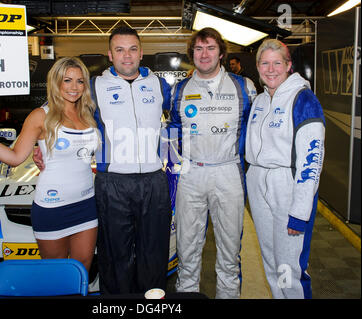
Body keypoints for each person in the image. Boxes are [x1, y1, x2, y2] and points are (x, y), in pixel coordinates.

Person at [33, 26, 173, 294]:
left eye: (133, 49)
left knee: (153, 255)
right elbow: (61, 115)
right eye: (120, 50)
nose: (127, 56)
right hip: (113, 183)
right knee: (115, 256)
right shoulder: (95, 87)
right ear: (110, 54)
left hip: (154, 181)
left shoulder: (158, 84)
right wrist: (38, 147)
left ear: (141, 52)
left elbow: (179, 120)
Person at [0, 57, 99, 272]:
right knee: (56, 273)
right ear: (56, 83)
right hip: (52, 206)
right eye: (67, 80)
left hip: (86, 204)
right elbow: (15, 157)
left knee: (81, 269)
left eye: (80, 81)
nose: (74, 87)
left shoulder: (88, 114)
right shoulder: (41, 116)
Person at [167, 27, 257, 298]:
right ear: (191, 54)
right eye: (198, 49)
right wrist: (173, 173)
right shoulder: (179, 90)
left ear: (221, 54)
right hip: (191, 172)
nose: (204, 54)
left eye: (210, 48)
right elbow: (172, 131)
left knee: (230, 250)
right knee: (187, 247)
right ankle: (186, 296)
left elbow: (257, 131)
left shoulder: (244, 87)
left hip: (228, 171)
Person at [245, 39, 325, 299]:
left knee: (290, 266)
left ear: (289, 65)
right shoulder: (259, 101)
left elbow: (311, 161)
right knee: (271, 261)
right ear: (257, 67)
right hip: (259, 183)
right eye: (265, 63)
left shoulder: (304, 99)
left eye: (277, 63)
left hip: (287, 186)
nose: (270, 69)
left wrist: (300, 212)